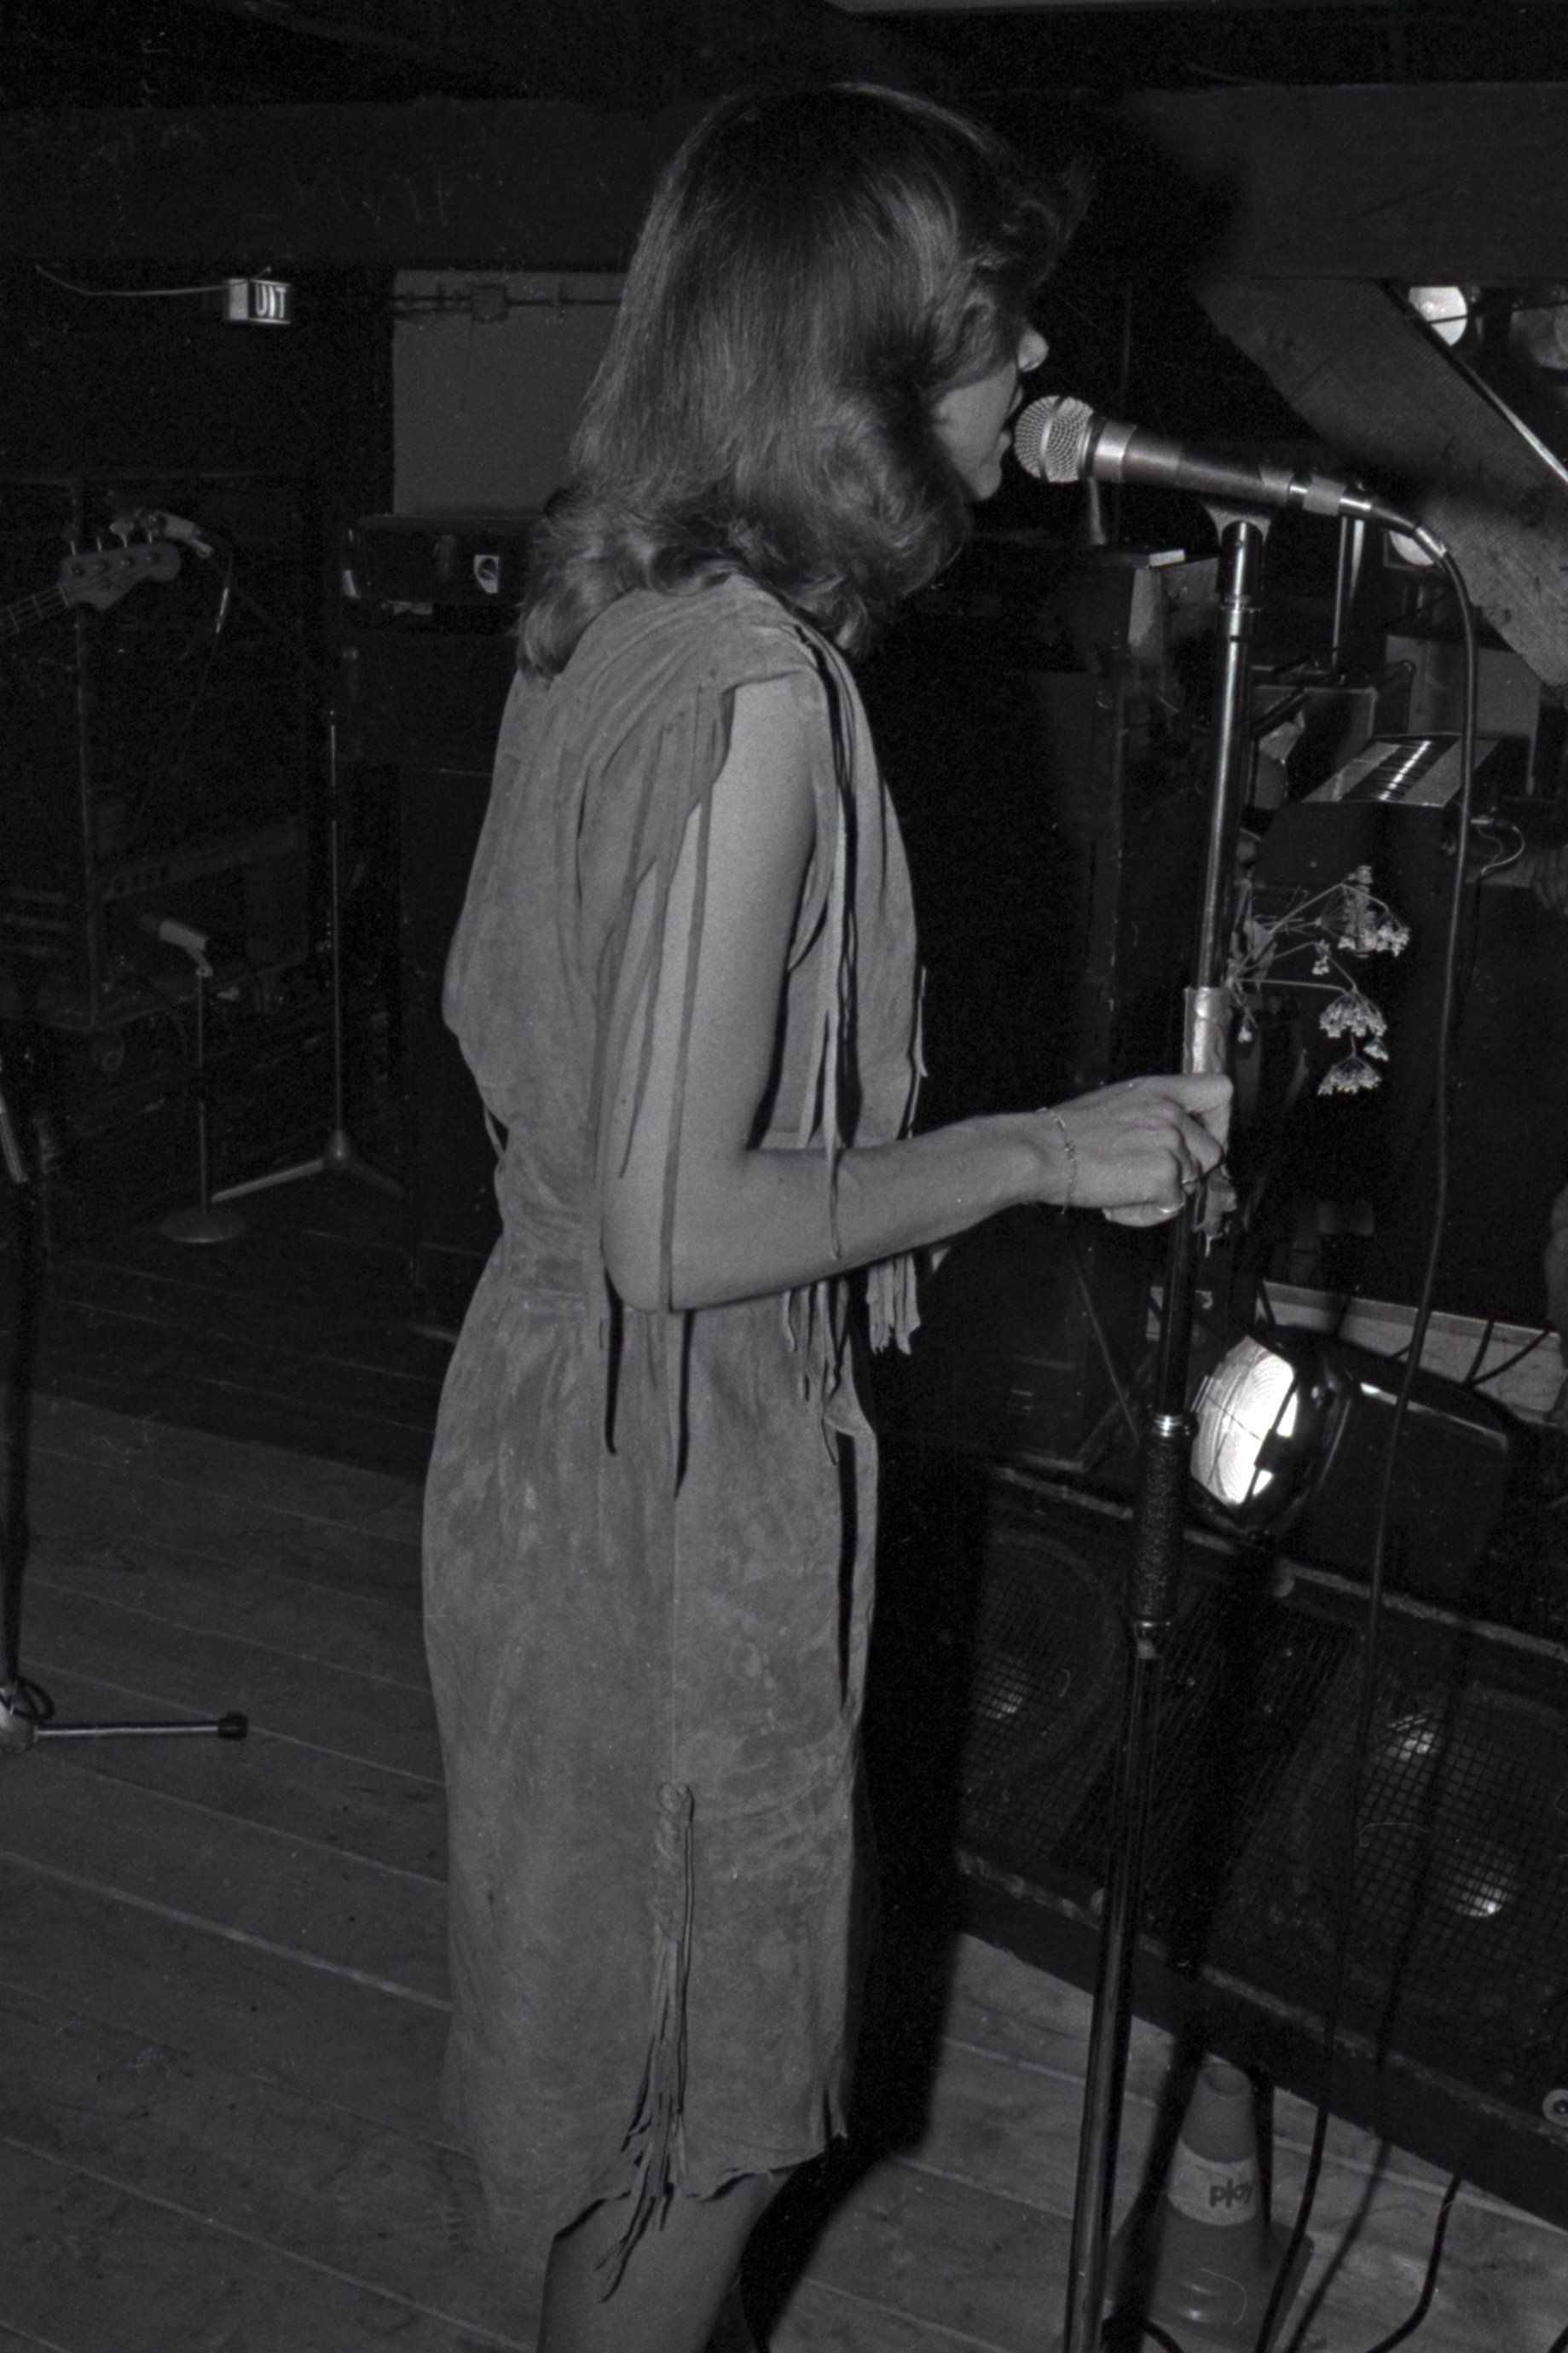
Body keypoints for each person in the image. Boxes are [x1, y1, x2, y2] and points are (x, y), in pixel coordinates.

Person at [422, 83, 1230, 2353]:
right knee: (710, 2125)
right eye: (991, 328)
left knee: (630, 2089)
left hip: (560, 1438)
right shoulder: (755, 692)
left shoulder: (621, 608)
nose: (1034, 367)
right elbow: (681, 1231)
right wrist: (1043, 1152)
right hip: (669, 1481)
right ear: (861, 373)